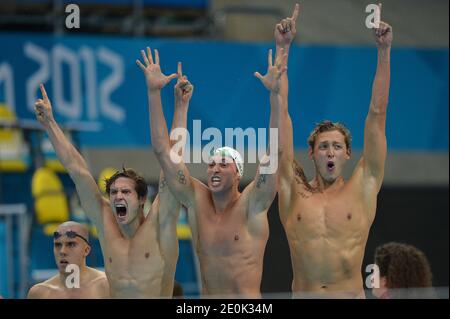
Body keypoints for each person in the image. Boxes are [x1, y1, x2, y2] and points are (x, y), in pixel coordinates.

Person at [137, 47, 286, 297]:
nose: (214, 168)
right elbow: (165, 153)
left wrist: (275, 96)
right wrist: (161, 97)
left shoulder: (254, 203)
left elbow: (276, 153)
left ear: (238, 173)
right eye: (211, 164)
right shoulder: (197, 200)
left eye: (223, 164)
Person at [33, 76, 191, 297]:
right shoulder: (106, 223)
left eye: (126, 192)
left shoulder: (160, 223)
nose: (118, 196)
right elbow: (77, 170)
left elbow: (173, 161)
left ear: (142, 199)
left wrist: (180, 106)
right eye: (114, 192)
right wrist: (50, 124)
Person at [276, 4, 393, 298]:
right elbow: (281, 117)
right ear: (312, 153)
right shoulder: (292, 190)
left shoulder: (364, 186)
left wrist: (384, 51)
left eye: (337, 146)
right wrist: (283, 48)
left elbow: (377, 114)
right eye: (324, 146)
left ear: (348, 154)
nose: (330, 152)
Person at [27, 221, 109, 298]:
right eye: (58, 245)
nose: (62, 251)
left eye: (71, 244)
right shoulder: (40, 293)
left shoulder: (106, 286)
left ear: (86, 250)